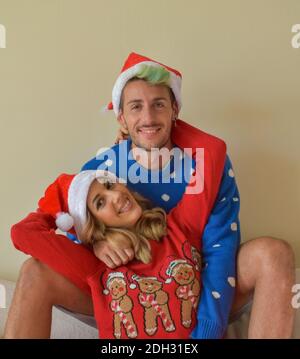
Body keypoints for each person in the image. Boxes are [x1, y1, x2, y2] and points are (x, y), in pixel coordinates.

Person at [5, 53, 295, 339]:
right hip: (123, 296)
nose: (148, 117)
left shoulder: (204, 164)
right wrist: (96, 245)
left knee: (273, 253)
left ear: (175, 110)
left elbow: (219, 248)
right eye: (135, 107)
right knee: (34, 271)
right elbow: (71, 231)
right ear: (120, 116)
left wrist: (207, 328)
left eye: (159, 105)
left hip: (193, 283)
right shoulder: (101, 171)